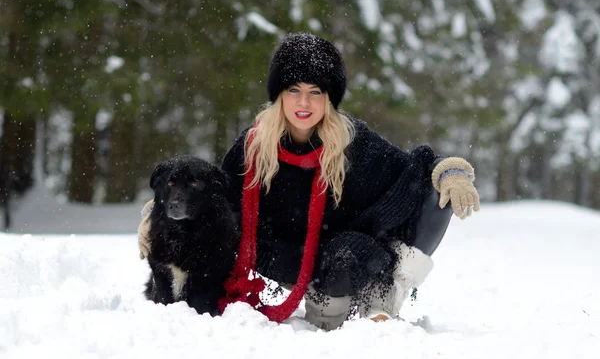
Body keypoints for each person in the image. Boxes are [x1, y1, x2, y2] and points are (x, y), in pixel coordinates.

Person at [137, 32, 480, 330]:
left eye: (316, 91)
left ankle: (379, 294)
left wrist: (452, 172)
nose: (304, 102)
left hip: (341, 251)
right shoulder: (254, 144)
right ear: (279, 95)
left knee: (422, 205)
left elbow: (413, 171)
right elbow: (218, 190)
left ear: (329, 97)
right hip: (283, 255)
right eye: (293, 90)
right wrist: (159, 212)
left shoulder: (353, 140)